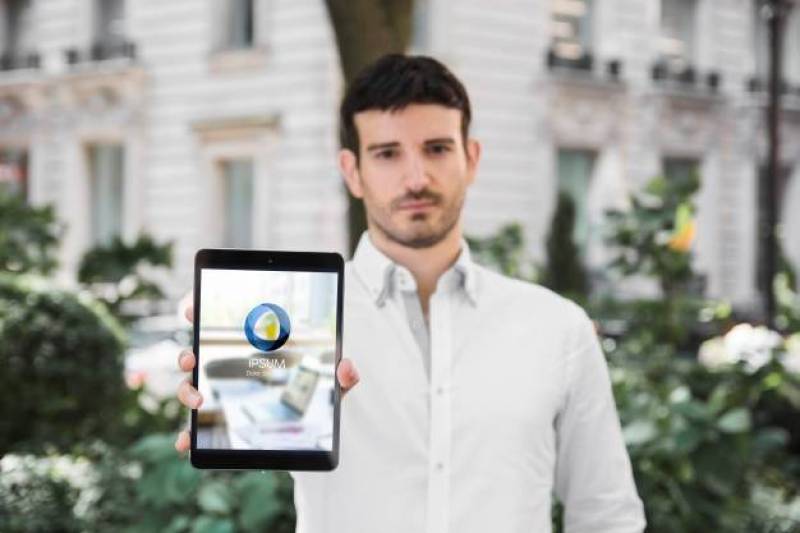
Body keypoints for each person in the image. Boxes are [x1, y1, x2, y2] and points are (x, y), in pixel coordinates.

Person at [174, 54, 646, 533]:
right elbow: (254, 417)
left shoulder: (556, 327)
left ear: (472, 159)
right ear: (352, 171)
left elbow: (607, 515)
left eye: (438, 148)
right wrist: (224, 388)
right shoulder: (303, 317)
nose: (416, 177)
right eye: (387, 153)